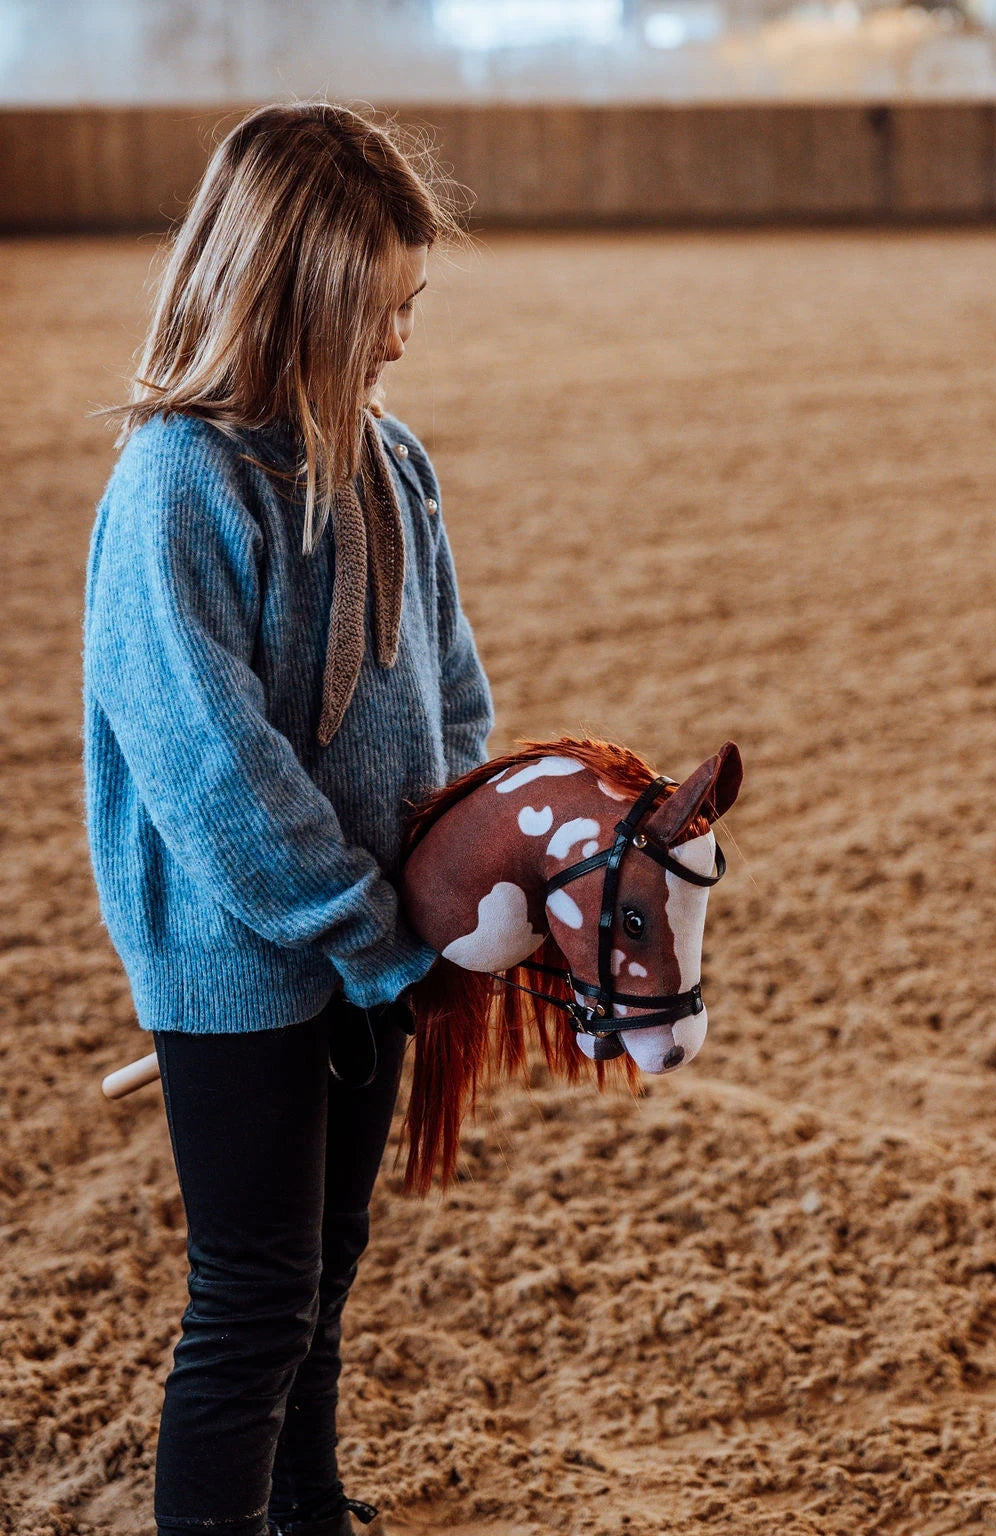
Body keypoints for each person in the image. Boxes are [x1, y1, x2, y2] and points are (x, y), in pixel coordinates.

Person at [83, 103, 493, 1536]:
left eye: (410, 308)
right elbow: (213, 767)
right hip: (246, 965)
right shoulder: (178, 484)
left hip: (380, 943)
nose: (399, 342)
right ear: (297, 303)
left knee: (328, 1266)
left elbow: (450, 683)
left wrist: (461, 866)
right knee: (252, 1296)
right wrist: (364, 933)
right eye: (379, 313)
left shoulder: (390, 461)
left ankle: (310, 1510)